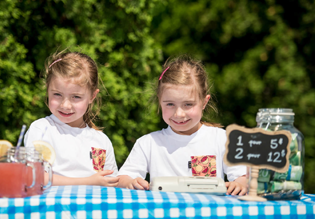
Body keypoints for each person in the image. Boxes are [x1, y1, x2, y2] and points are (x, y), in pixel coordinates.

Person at [118, 55, 247, 195]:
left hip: (208, 215)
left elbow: (243, 177)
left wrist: (240, 184)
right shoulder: (148, 144)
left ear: (204, 102)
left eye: (188, 104)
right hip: (164, 215)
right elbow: (122, 178)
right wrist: (130, 182)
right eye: (170, 104)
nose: (179, 114)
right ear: (160, 101)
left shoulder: (222, 139)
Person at [24, 51, 119, 187]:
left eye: (76, 97)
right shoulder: (41, 129)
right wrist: (89, 182)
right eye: (57, 94)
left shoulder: (101, 141)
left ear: (92, 96)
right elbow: (33, 177)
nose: (65, 105)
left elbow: (111, 183)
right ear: (47, 90)